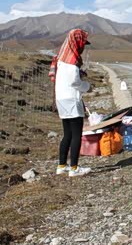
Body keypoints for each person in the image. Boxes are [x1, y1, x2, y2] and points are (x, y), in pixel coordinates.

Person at [53, 28, 92, 177]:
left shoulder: (62, 59)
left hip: (62, 99)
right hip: (71, 100)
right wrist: (87, 86)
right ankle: (74, 168)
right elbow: (74, 82)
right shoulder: (72, 61)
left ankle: (62, 165)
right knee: (76, 135)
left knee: (67, 134)